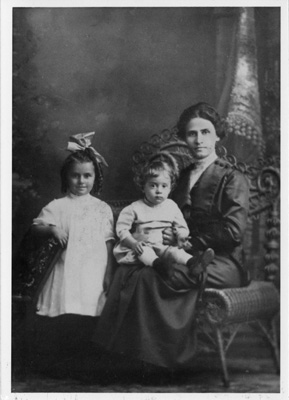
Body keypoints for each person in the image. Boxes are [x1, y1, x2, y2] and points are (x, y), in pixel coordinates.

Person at [92, 102, 250, 379]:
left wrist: (191, 241)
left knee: (158, 274)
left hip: (220, 261)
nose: (198, 139)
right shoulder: (179, 177)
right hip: (175, 251)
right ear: (184, 137)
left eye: (205, 132)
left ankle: (162, 360)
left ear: (217, 136)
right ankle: (135, 356)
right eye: (191, 133)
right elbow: (163, 214)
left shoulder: (232, 177)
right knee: (138, 271)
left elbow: (233, 231)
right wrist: (161, 234)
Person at [29, 132, 115, 374]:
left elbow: (109, 242)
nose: (81, 181)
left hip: (93, 268)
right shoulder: (57, 206)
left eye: (87, 176)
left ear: (95, 177)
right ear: (66, 177)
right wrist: (53, 229)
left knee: (89, 311)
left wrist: (109, 271)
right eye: (75, 176)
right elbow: (36, 228)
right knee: (66, 309)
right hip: (66, 267)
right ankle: (62, 364)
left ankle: (85, 364)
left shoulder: (102, 209)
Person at [113, 152, 214, 285]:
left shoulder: (171, 206)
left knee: (175, 252)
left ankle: (194, 263)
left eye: (164, 186)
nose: (159, 190)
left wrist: (182, 236)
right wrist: (133, 243)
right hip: (144, 244)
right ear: (143, 186)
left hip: (164, 245)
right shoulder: (134, 208)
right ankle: (159, 266)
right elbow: (122, 229)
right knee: (145, 252)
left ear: (170, 187)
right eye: (153, 185)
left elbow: (181, 226)